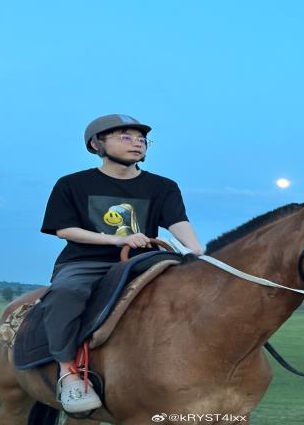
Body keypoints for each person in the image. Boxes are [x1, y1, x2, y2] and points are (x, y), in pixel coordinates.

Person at [40, 113, 203, 413]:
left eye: (142, 139)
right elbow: (65, 230)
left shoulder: (163, 186)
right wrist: (117, 240)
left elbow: (178, 221)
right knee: (66, 293)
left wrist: (197, 252)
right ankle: (68, 373)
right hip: (86, 262)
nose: (137, 143)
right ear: (96, 144)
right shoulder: (72, 184)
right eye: (125, 137)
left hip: (144, 260)